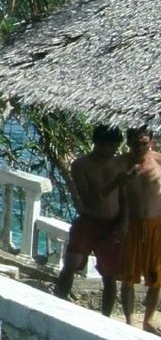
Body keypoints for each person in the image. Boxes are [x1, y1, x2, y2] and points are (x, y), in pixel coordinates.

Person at [54, 125, 128, 316]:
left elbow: (124, 197)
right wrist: (115, 184)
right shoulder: (81, 165)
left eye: (116, 147)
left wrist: (124, 221)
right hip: (88, 221)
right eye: (110, 147)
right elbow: (88, 199)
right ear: (98, 144)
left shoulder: (119, 164)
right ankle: (56, 305)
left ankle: (106, 317)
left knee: (109, 275)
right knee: (70, 264)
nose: (113, 151)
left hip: (111, 225)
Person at [118, 127, 161, 332]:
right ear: (129, 144)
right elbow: (113, 190)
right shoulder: (122, 163)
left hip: (156, 225)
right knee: (128, 276)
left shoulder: (159, 161)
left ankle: (148, 319)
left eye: (144, 143)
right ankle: (128, 318)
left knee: (156, 277)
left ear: (151, 142)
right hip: (133, 224)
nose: (140, 147)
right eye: (135, 143)